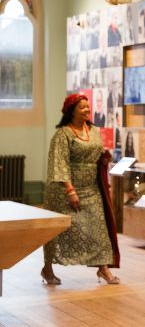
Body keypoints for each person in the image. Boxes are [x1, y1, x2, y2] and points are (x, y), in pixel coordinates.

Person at [41, 94, 121, 286]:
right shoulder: (63, 134)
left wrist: (103, 160)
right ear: (71, 111)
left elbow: (97, 153)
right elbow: (58, 163)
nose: (87, 110)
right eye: (82, 107)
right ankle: (47, 268)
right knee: (57, 231)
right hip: (64, 191)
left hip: (91, 188)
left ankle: (103, 268)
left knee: (98, 228)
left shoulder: (93, 130)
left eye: (88, 106)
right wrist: (70, 191)